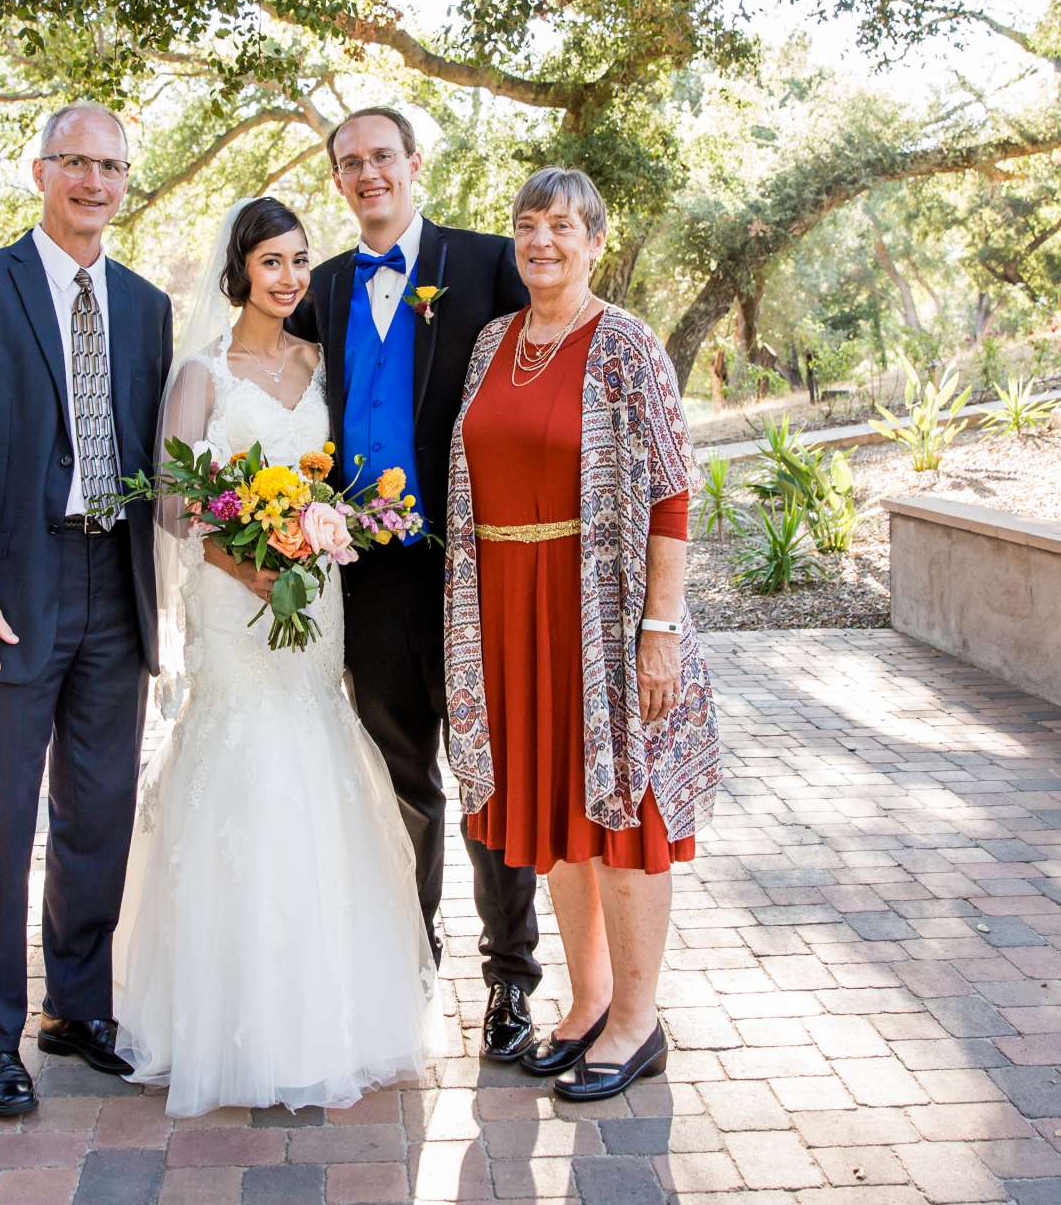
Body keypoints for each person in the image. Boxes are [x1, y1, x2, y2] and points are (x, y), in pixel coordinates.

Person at [111, 197, 435, 1116]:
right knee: (244, 769)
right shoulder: (202, 374)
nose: (291, 279)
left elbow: (338, 477)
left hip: (313, 596)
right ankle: (228, 1016)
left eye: (300, 262)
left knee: (320, 758)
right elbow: (175, 504)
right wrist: (245, 559)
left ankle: (328, 1014)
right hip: (235, 600)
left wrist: (319, 537)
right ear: (239, 273)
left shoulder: (321, 365)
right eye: (272, 264)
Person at [442, 166, 724, 1103]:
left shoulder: (629, 344)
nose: (543, 242)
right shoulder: (491, 344)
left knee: (628, 815)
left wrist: (661, 628)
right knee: (560, 813)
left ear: (596, 241)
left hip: (599, 614)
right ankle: (588, 1000)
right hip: (512, 611)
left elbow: (673, 492)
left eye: (564, 226)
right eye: (528, 225)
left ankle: (640, 1023)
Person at [0, 103, 172, 1119]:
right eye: (77, 162)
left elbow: (165, 463)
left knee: (98, 810)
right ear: (39, 171)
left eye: (112, 165)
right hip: (9, 597)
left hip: (118, 586)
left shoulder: (149, 307)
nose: (95, 181)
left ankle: (78, 1007)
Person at [285, 107, 544, 1063]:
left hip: (474, 570)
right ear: (340, 180)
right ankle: (409, 964)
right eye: (349, 164)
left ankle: (510, 981)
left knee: (493, 775)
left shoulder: (485, 265)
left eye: (380, 157)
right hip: (369, 577)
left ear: (413, 163)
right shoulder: (319, 289)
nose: (367, 175)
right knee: (399, 778)